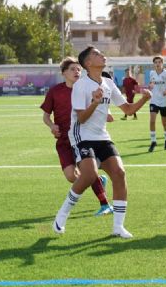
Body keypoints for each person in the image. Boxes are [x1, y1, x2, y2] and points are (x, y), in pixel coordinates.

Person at [53, 46, 151, 239]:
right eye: (97, 54)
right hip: (81, 136)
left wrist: (144, 99)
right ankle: (62, 214)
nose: (102, 55)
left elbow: (128, 110)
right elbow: (81, 119)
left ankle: (118, 227)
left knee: (119, 173)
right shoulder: (81, 85)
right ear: (88, 63)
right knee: (89, 175)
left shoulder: (108, 83)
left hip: (102, 136)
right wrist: (96, 102)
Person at [40, 57, 112, 217]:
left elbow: (99, 104)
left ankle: (105, 204)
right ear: (64, 73)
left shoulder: (86, 89)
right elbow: (45, 116)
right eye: (72, 69)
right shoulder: (55, 91)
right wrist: (52, 126)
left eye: (79, 69)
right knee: (72, 177)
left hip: (82, 138)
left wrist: (107, 114)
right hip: (64, 141)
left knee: (87, 173)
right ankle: (98, 180)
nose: (77, 72)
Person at [148, 56, 166, 152]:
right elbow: (151, 84)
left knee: (164, 122)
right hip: (154, 100)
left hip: (164, 101)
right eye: (156, 62)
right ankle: (153, 141)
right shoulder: (151, 73)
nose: (158, 64)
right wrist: (150, 86)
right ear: (154, 64)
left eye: (159, 62)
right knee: (152, 121)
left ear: (162, 63)